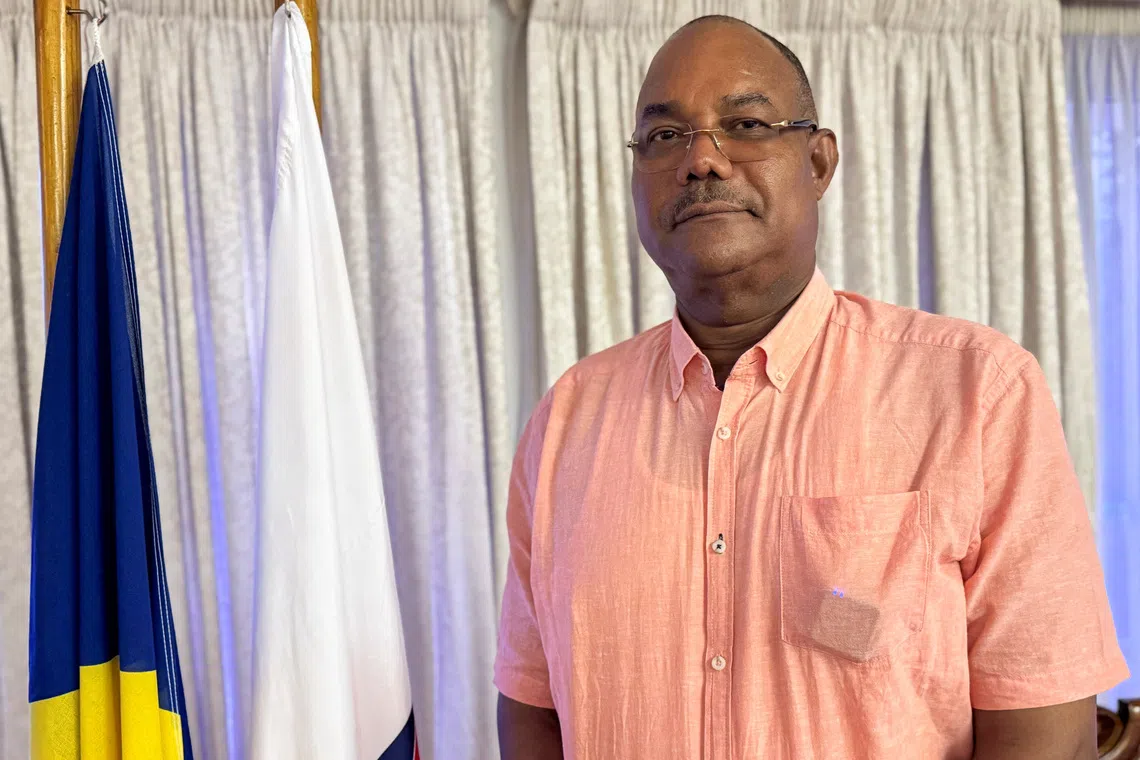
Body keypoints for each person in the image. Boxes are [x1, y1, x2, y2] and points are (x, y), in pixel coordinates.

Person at [494, 15, 1129, 760]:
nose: (703, 159)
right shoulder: (568, 420)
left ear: (820, 162)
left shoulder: (975, 394)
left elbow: (1044, 733)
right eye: (665, 137)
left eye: (746, 123)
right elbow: (532, 707)